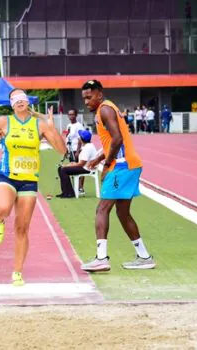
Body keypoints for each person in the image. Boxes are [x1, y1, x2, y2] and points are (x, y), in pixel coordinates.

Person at [0, 88, 66, 286]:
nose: (19, 101)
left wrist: (51, 128)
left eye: (22, 97)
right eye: (14, 98)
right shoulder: (4, 122)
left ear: (27, 102)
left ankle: (17, 272)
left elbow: (62, 150)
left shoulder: (39, 125)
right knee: (2, 208)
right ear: (11, 104)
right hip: (6, 176)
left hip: (29, 180)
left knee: (22, 228)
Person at [79, 80, 156, 272]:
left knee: (102, 209)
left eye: (90, 97)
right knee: (122, 212)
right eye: (84, 98)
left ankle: (101, 258)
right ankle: (144, 256)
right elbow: (112, 143)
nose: (86, 101)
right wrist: (97, 159)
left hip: (121, 167)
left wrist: (106, 165)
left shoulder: (105, 110)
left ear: (99, 94)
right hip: (129, 165)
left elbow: (117, 139)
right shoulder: (104, 110)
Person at [56, 129, 98, 198]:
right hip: (84, 167)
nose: (79, 138)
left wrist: (67, 165)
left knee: (63, 169)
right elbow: (80, 163)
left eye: (80, 137)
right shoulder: (87, 146)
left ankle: (70, 193)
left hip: (86, 169)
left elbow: (81, 164)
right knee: (60, 169)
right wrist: (71, 164)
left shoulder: (88, 148)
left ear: (82, 139)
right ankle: (65, 192)